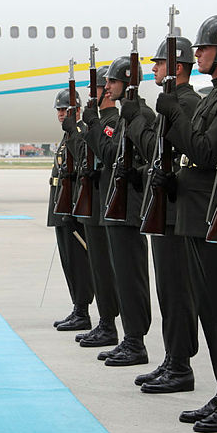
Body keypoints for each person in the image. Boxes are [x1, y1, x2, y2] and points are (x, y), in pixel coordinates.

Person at [155, 14, 217, 433]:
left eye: (204, 48)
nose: (197, 55)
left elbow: (206, 152)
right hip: (199, 215)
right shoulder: (215, 97)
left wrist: (175, 115)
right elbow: (194, 155)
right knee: (210, 311)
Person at [124, 36, 200, 393]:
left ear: (177, 68)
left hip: (175, 211)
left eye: (160, 63)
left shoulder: (187, 104)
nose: (153, 68)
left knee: (178, 292)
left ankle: (181, 364)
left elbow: (158, 148)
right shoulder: (174, 103)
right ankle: (173, 358)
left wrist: (136, 122)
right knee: (168, 291)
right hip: (165, 210)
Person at [81, 56, 154, 367]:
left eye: (112, 81)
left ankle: (136, 341)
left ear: (128, 82)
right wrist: (93, 126)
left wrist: (95, 125)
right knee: (121, 277)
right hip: (117, 204)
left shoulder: (142, 115)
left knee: (131, 277)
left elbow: (126, 156)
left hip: (130, 207)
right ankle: (129, 338)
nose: (107, 87)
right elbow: (111, 153)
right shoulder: (126, 116)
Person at [71, 66, 122, 349]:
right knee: (98, 267)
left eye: (100, 87)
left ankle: (110, 324)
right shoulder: (98, 122)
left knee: (106, 268)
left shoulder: (112, 121)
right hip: (94, 202)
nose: (94, 92)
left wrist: (92, 126)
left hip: (106, 202)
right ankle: (104, 322)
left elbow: (108, 152)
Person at [49, 89, 94, 332]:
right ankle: (77, 307)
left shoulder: (80, 132)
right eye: (58, 109)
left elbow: (82, 164)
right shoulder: (68, 134)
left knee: (78, 262)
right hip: (61, 205)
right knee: (69, 261)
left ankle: (82, 310)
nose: (60, 113)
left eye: (65, 109)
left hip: (73, 207)